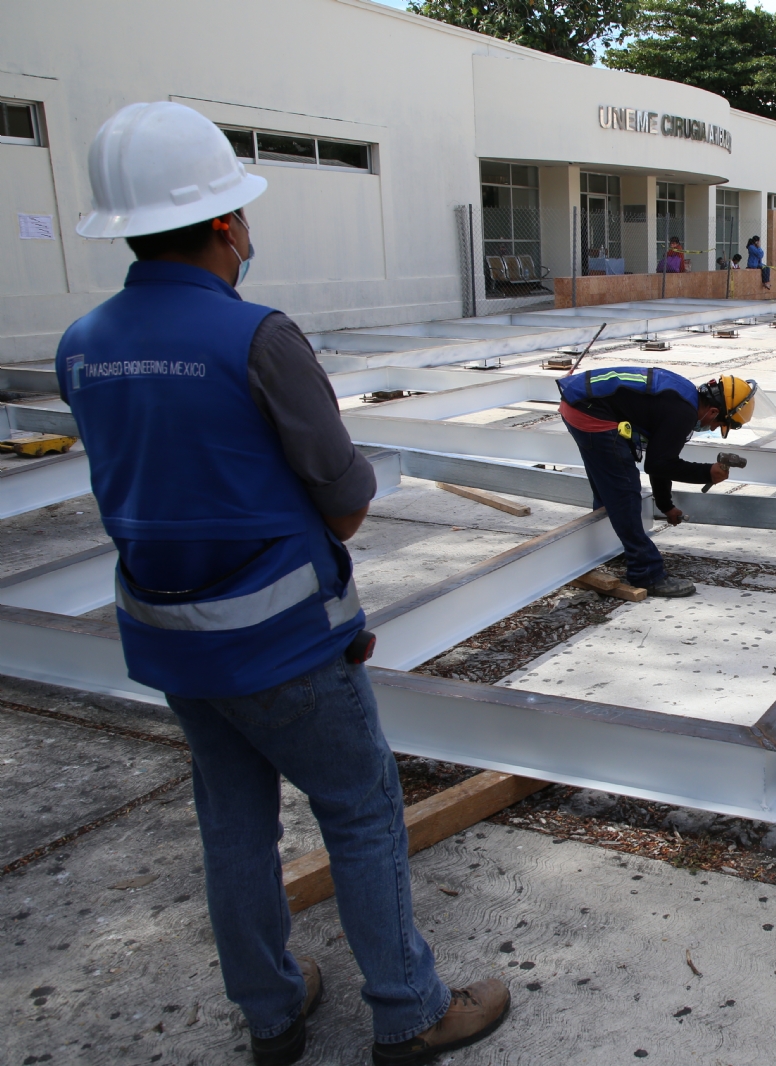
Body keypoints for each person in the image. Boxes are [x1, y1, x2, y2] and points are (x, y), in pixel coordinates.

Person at [56, 102, 506, 1066]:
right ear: (226, 224)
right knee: (360, 810)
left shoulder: (83, 343)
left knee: (233, 826)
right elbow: (343, 502)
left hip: (172, 642)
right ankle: (410, 1010)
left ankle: (271, 1008)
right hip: (282, 643)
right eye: (243, 215)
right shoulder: (257, 337)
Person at [558, 368, 758, 597]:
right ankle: (646, 573)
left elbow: (659, 456)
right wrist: (706, 473)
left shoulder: (684, 398)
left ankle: (614, 546)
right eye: (720, 424)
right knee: (624, 490)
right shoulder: (682, 413)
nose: (713, 429)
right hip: (591, 412)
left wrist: (665, 505)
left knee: (609, 483)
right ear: (713, 411)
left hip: (580, 404)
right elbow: (659, 464)